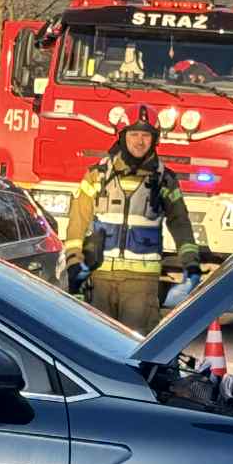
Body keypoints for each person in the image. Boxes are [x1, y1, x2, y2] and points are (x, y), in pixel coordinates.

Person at [63, 105, 200, 334]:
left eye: (146, 135)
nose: (139, 141)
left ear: (155, 139)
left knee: (135, 348)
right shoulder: (98, 175)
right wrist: (73, 264)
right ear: (122, 136)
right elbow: (77, 222)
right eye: (134, 134)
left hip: (142, 285)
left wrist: (191, 262)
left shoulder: (164, 180)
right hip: (99, 281)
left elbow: (180, 224)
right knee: (97, 344)